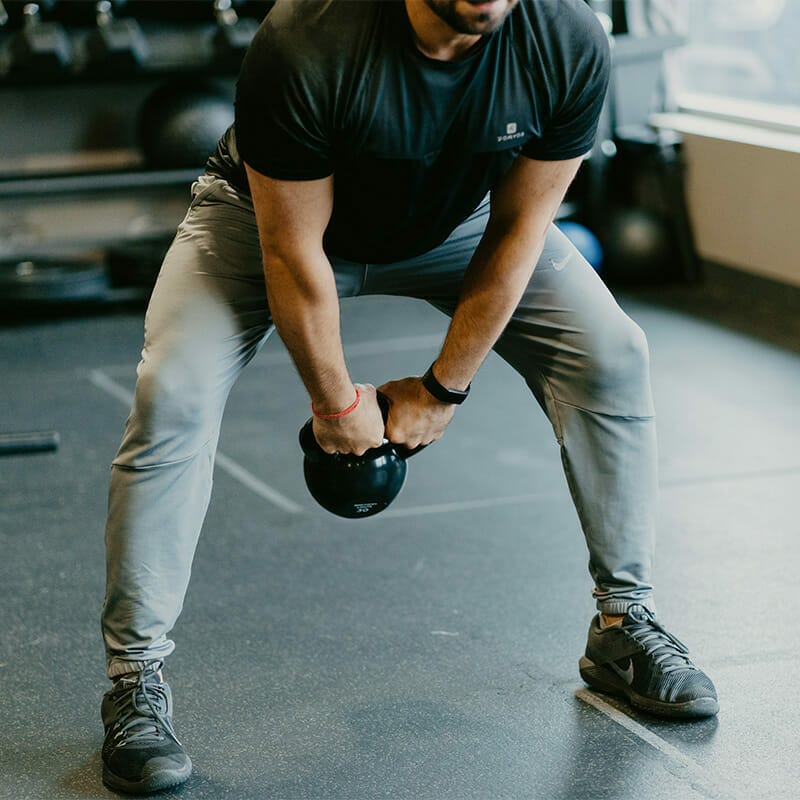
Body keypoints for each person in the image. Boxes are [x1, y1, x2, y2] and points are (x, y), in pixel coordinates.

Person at [99, 0, 718, 794]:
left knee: (614, 352)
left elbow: (518, 233)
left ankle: (623, 625)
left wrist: (442, 387)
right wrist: (334, 406)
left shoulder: (565, 40)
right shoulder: (307, 39)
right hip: (259, 225)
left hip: (453, 227)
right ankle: (134, 679)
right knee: (171, 390)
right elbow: (292, 254)